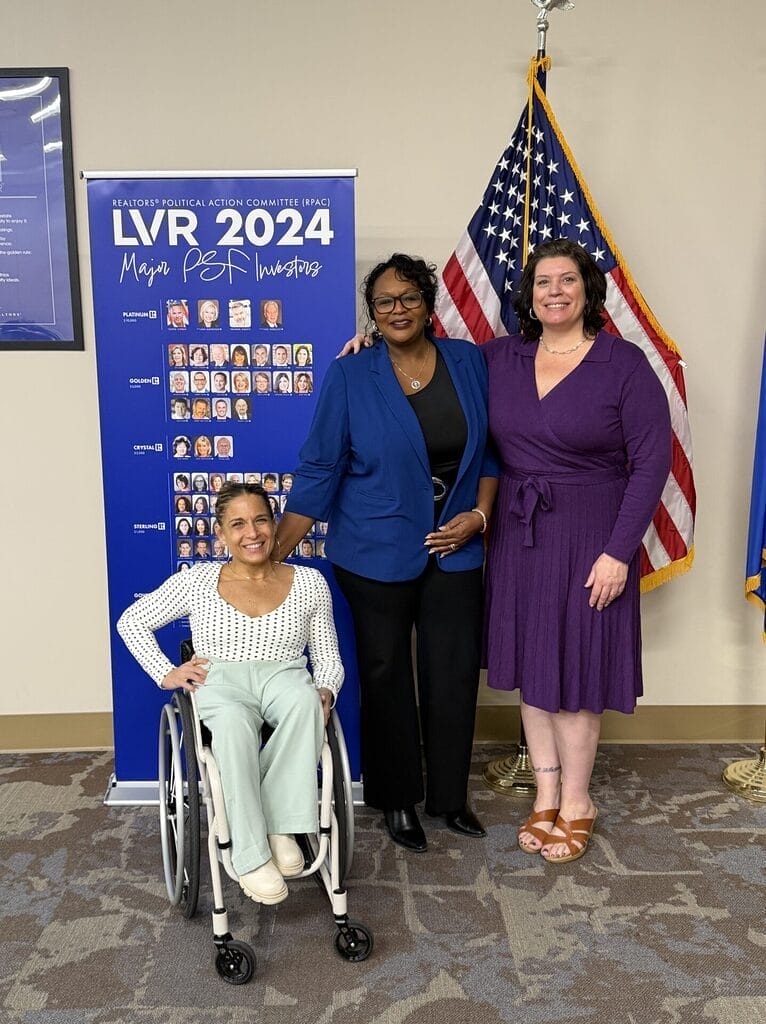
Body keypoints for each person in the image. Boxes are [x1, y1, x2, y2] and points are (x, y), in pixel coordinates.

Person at [278, 253, 498, 852]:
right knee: (385, 674)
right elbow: (321, 464)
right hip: (373, 549)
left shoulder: (468, 361)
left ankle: (450, 797)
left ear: (428, 303)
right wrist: (271, 552)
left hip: (456, 549)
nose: (397, 309)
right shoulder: (351, 374)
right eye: (384, 301)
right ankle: (397, 799)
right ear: (372, 314)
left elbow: (490, 454)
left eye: (408, 297)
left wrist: (477, 518)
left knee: (451, 674)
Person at [481, 238, 671, 864]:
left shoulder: (624, 364)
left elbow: (651, 464)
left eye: (567, 280)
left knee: (578, 674)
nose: (554, 291)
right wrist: (371, 348)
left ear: (588, 289)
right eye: (542, 282)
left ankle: (579, 801)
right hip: (521, 534)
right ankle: (545, 793)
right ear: (528, 296)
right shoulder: (499, 358)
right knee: (535, 671)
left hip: (595, 537)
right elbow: (428, 369)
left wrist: (621, 551)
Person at [117, 483, 344, 904]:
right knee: (235, 727)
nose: (251, 533)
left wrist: (327, 689)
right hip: (220, 681)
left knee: (305, 703)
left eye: (260, 520)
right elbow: (132, 621)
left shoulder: (309, 583)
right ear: (220, 534)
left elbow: (328, 657)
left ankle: (280, 825)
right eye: (237, 524)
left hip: (284, 674)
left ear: (275, 526)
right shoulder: (199, 581)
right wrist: (165, 673)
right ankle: (249, 852)